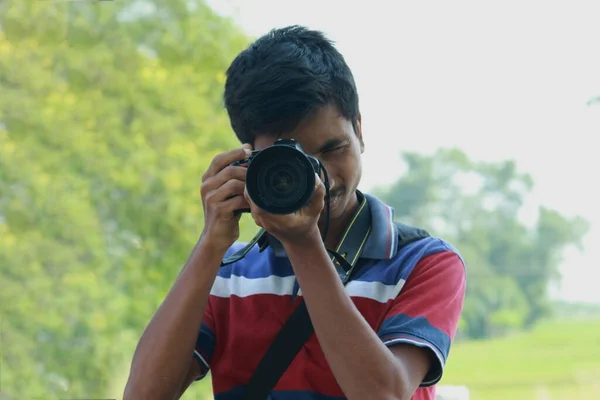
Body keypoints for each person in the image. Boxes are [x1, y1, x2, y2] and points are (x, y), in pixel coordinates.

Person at [123, 25, 467, 400]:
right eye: (293, 163)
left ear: (360, 130)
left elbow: (383, 394)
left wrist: (305, 245)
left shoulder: (423, 262)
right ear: (249, 157)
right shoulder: (228, 271)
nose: (323, 177)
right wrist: (211, 245)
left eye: (334, 149)